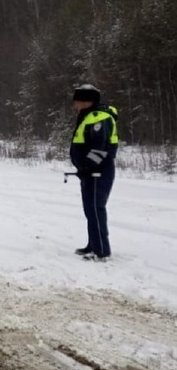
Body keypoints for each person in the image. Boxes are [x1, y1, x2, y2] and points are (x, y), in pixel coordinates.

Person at [69, 84, 119, 261]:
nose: (76, 105)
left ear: (87, 101)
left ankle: (101, 251)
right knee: (90, 210)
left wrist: (88, 167)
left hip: (98, 171)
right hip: (90, 171)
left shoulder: (99, 118)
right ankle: (93, 244)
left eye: (78, 101)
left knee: (96, 209)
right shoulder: (89, 116)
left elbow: (100, 148)